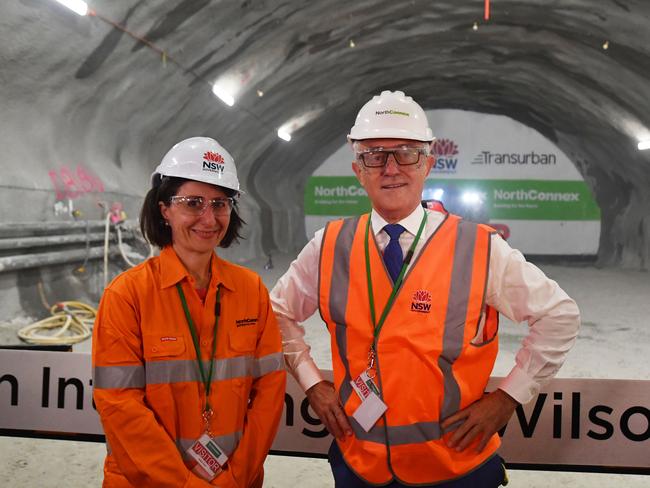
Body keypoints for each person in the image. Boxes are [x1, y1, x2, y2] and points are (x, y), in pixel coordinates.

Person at [271, 91, 580, 487]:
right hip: (360, 465)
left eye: (406, 153)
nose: (390, 168)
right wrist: (312, 383)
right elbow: (276, 313)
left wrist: (507, 400)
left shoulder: (478, 247)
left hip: (454, 467)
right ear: (357, 169)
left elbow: (559, 316)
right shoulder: (328, 245)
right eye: (374, 155)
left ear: (428, 164)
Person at [92, 137, 286, 488]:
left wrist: (237, 476)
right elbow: (120, 406)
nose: (209, 218)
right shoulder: (127, 295)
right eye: (193, 203)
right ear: (164, 209)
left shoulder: (251, 290)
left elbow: (270, 391)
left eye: (220, 203)